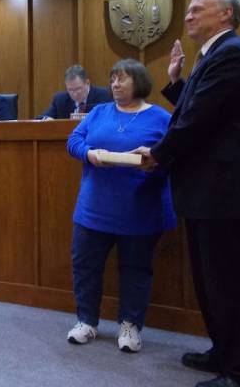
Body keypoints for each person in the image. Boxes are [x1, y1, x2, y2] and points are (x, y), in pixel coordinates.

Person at [133, 0, 240, 387]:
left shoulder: (233, 54)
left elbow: (198, 122)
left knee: (231, 284)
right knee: (212, 282)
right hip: (208, 191)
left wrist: (159, 154)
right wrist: (176, 83)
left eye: (196, 9)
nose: (188, 16)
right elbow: (198, 109)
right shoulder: (214, 55)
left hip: (225, 193)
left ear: (226, 14)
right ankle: (224, 353)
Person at [66, 59, 175, 353]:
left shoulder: (161, 118)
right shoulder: (99, 111)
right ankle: (86, 321)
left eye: (122, 79)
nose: (114, 84)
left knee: (135, 269)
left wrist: (155, 165)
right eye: (113, 79)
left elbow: (175, 157)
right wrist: (88, 154)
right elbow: (74, 140)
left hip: (140, 209)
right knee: (85, 265)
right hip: (93, 208)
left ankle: (130, 325)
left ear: (138, 83)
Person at [37, 64, 112, 119]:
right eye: (70, 90)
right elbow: (41, 118)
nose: (75, 94)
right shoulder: (60, 100)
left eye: (78, 89)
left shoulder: (104, 96)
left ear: (87, 83)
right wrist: (47, 119)